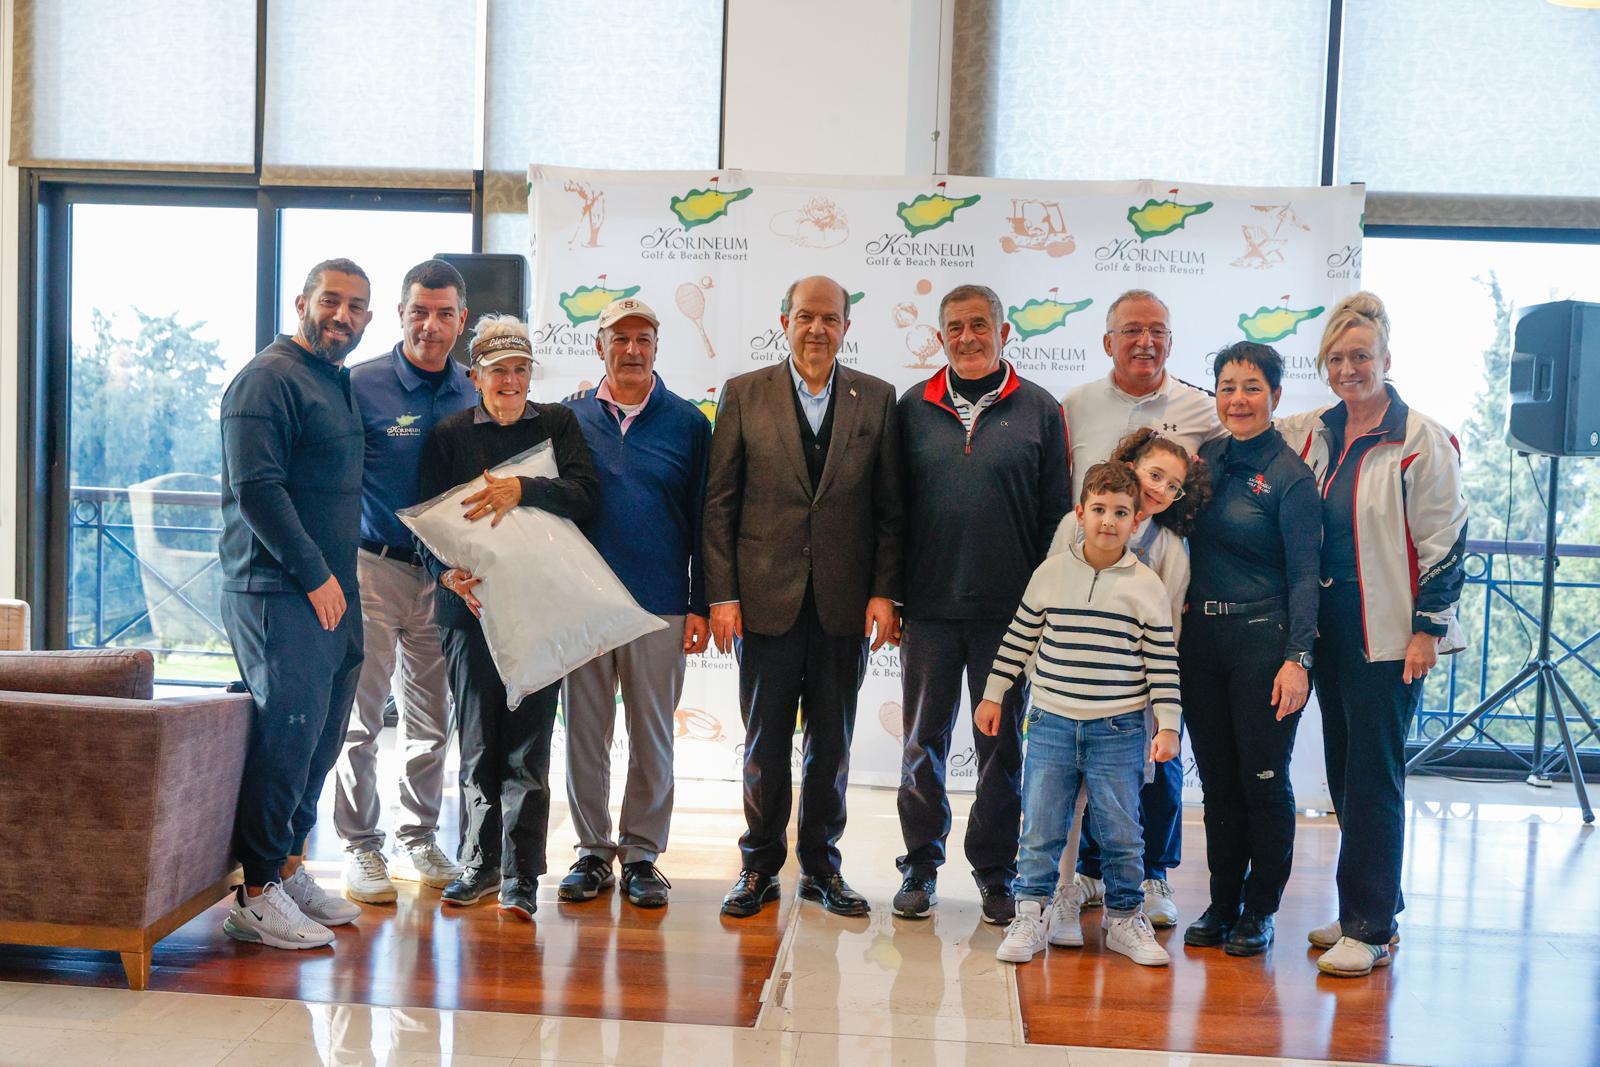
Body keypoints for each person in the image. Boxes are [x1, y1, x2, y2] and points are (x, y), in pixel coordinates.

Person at [1277, 292, 1467, 977]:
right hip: (1327, 631)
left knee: (1372, 777)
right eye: (1336, 358)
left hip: (1387, 635)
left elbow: (1446, 541)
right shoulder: (1311, 431)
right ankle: (1373, 902)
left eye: (1361, 356)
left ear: (1387, 358)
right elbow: (1239, 418)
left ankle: (1370, 924)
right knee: (1342, 772)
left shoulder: (1421, 438)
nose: (1348, 369)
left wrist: (1428, 630)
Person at [704, 275, 903, 919]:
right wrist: (722, 595)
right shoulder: (744, 392)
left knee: (833, 744)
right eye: (805, 317)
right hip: (764, 600)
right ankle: (759, 866)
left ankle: (822, 867)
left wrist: (884, 591)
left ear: (847, 326)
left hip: (844, 604)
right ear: (784, 321)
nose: (817, 329)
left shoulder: (876, 397)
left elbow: (890, 510)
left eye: (830, 318)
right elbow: (719, 504)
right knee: (764, 744)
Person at [893, 283, 1069, 925]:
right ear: (939, 337)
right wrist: (891, 594)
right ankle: (920, 864)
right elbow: (892, 512)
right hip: (929, 610)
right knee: (922, 742)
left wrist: (1045, 610)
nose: (967, 337)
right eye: (955, 327)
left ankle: (996, 873)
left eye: (979, 325)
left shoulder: (1041, 409)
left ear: (1003, 332)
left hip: (1009, 617)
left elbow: (1057, 520)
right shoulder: (912, 407)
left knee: (1000, 750)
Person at [415, 314, 598, 919]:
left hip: (540, 609)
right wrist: (446, 575)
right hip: (468, 613)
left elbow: (586, 496)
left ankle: (521, 875)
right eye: (499, 371)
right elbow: (422, 522)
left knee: (528, 747)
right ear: (476, 377)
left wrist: (522, 488)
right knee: (477, 744)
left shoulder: (557, 424)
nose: (511, 381)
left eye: (521, 369)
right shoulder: (448, 436)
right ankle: (479, 863)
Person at [218, 258, 373, 949]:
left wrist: (333, 581)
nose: (343, 315)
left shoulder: (332, 381)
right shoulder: (267, 379)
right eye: (331, 301)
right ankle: (255, 895)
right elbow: (257, 488)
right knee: (287, 739)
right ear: (302, 302)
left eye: (356, 306)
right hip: (279, 591)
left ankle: (287, 866)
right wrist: (313, 575)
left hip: (334, 592)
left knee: (321, 739)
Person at [977, 461, 1182, 968]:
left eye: (1120, 512)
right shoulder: (1049, 574)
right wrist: (993, 692)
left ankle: (1124, 918)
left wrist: (1168, 725)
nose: (1108, 521)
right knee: (1040, 827)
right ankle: (1031, 914)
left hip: (1119, 728)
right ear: (1080, 513)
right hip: (1051, 722)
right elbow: (1019, 637)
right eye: (1099, 509)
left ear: (1136, 520)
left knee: (1122, 832)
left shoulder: (1147, 585)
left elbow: (1162, 662)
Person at [1062, 288, 1223, 928]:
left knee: (1160, 765)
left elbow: (1172, 618)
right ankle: (1091, 870)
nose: (1145, 341)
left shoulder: (1201, 411)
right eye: (1131, 330)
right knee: (1096, 767)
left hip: (1154, 663)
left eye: (1158, 330)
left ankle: (1154, 873)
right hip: (1089, 658)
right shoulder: (1075, 407)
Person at [557, 297, 712, 909]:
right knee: (584, 733)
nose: (631, 349)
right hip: (584, 605)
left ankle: (643, 854)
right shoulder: (567, 418)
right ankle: (592, 852)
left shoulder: (689, 424)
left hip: (660, 603)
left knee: (652, 736)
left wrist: (701, 603)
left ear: (656, 347)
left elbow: (705, 520)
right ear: (599, 347)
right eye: (619, 339)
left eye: (643, 338)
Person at [335, 259, 473, 905]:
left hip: (444, 577)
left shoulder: (473, 389)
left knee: (430, 719)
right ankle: (360, 846)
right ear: (400, 314)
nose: (430, 325)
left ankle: (418, 836)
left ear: (462, 321)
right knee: (360, 720)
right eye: (419, 311)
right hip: (372, 567)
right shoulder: (360, 384)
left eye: (444, 314)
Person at [1179, 341, 1320, 958]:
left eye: (1252, 387)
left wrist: (1299, 659)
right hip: (1201, 646)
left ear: (1276, 396)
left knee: (1262, 781)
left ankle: (1260, 909)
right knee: (1217, 784)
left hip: (1264, 646)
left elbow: (1306, 577)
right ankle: (1222, 901)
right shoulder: (1204, 460)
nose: (1238, 399)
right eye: (1228, 387)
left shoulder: (1291, 476)